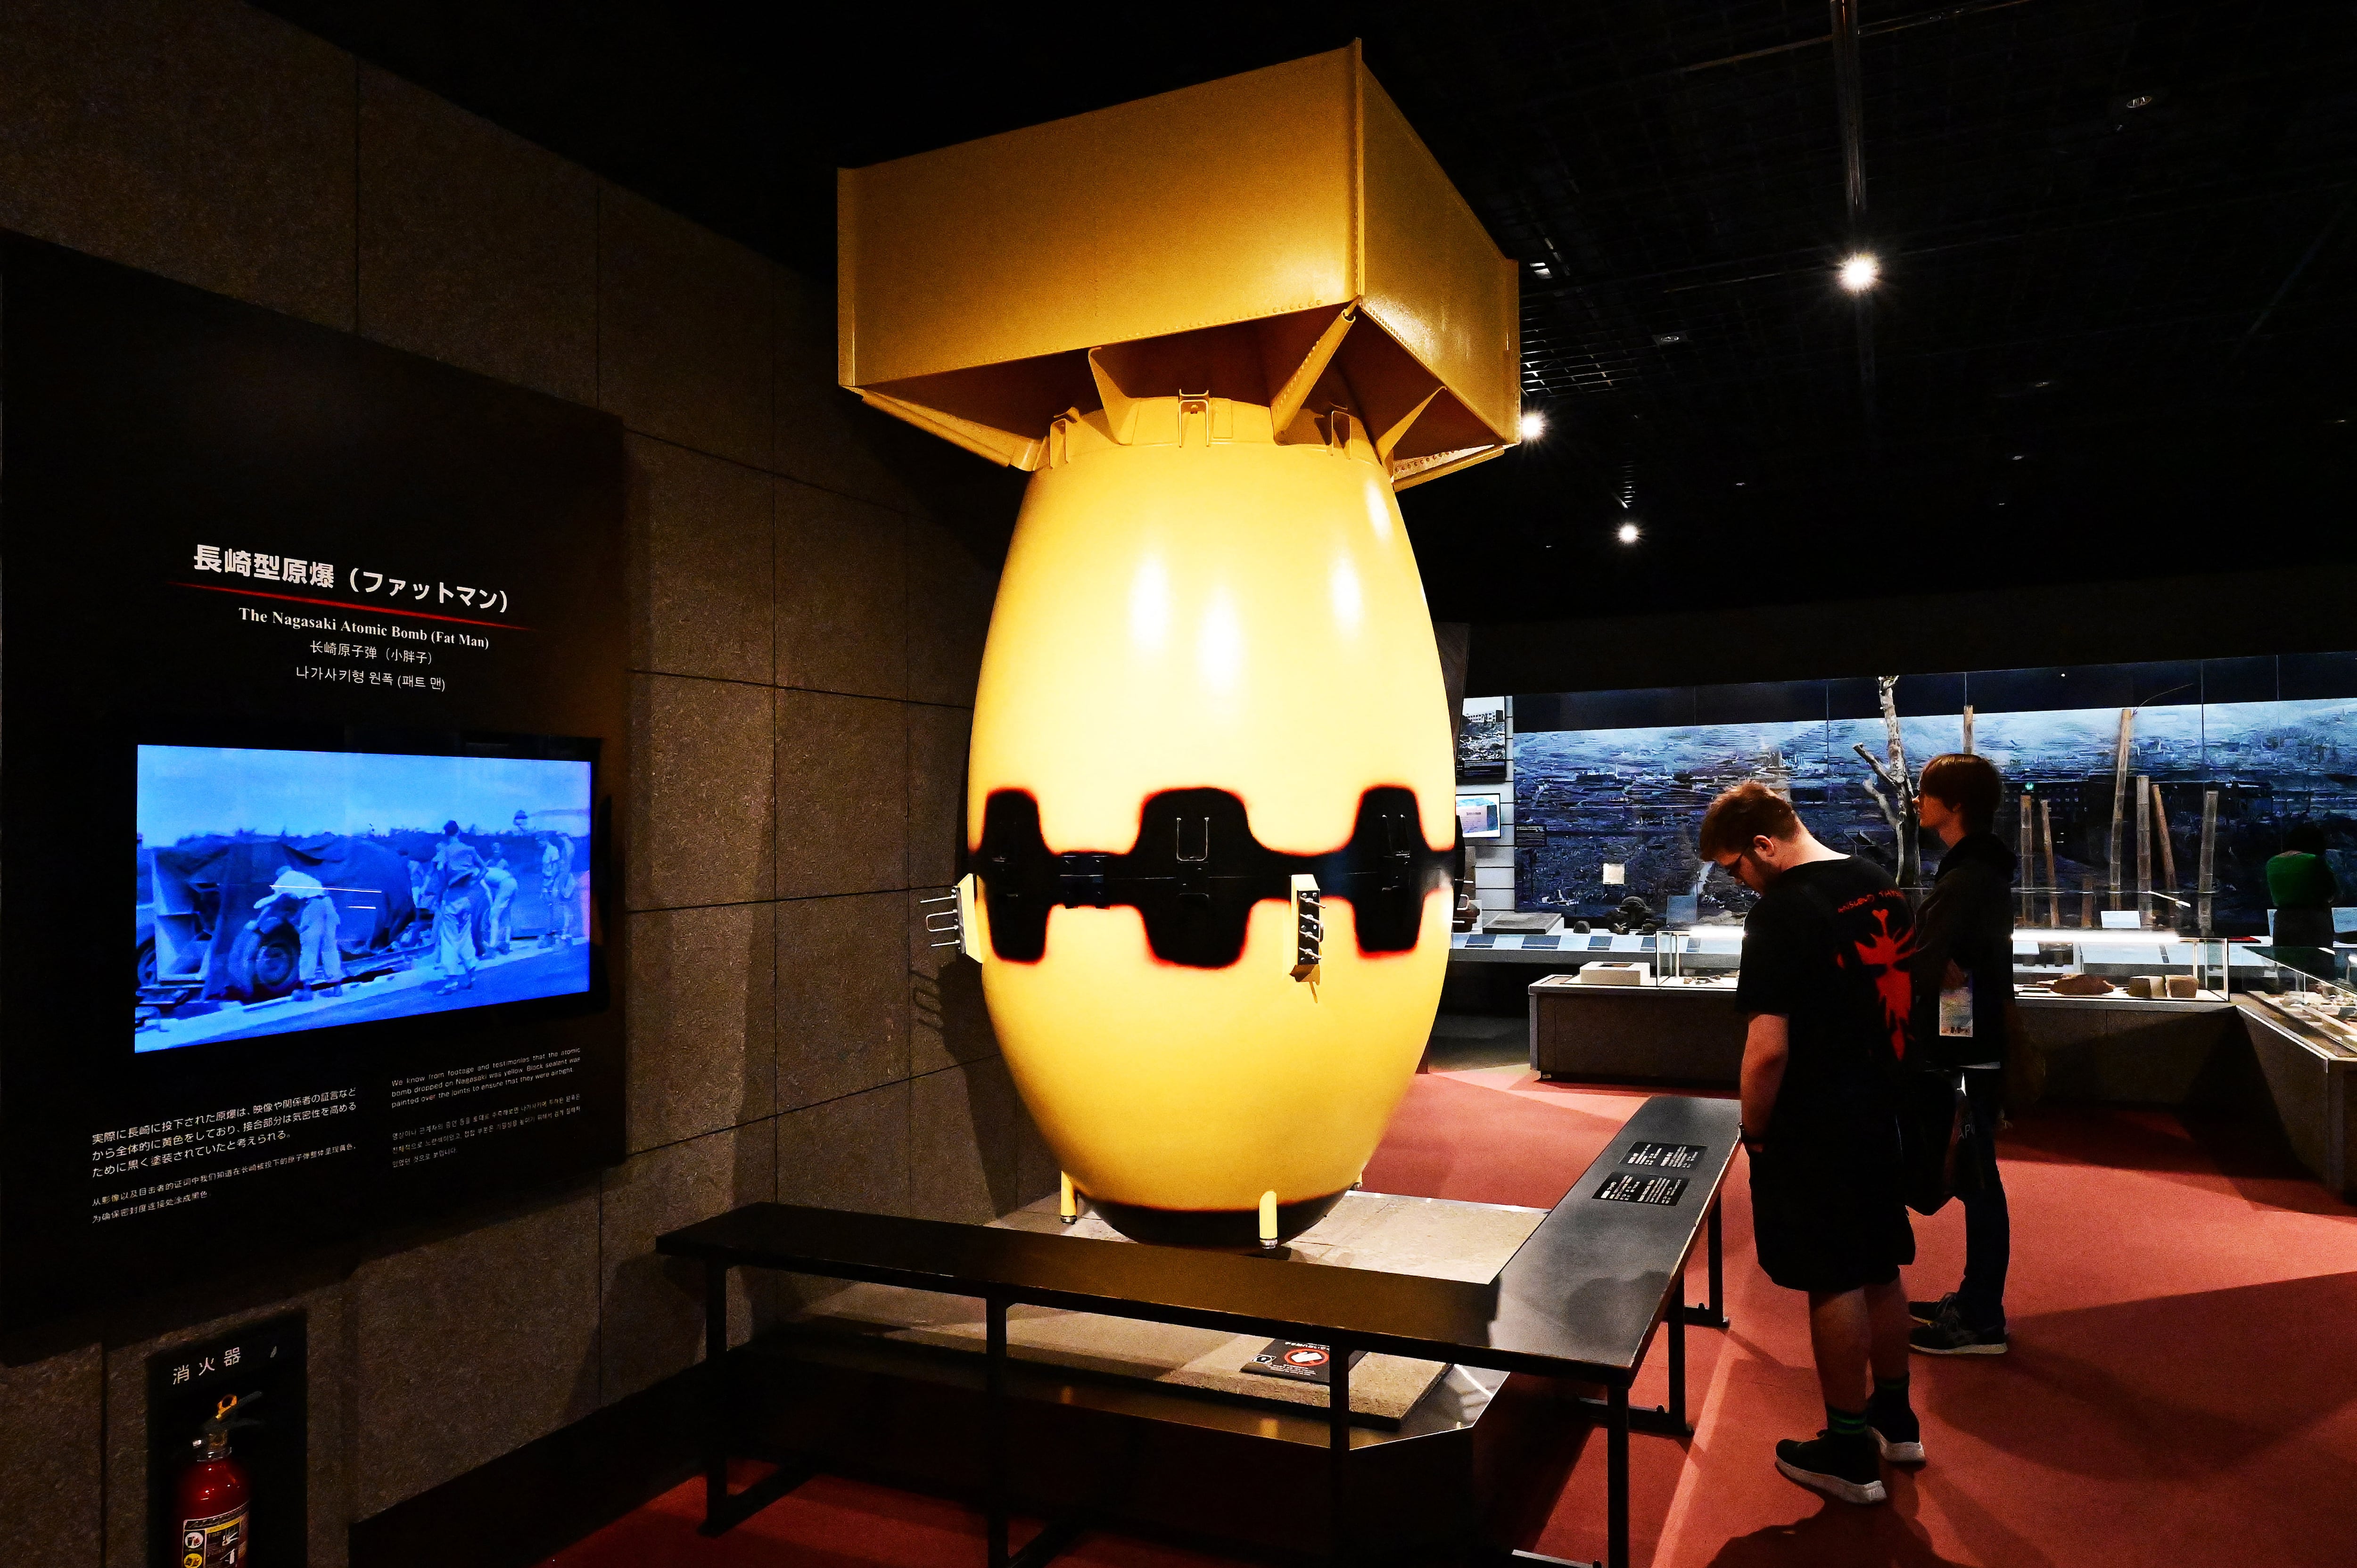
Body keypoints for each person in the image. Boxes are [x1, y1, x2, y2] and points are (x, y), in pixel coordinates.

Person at [1701, 780, 1920, 1505]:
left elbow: (1768, 1048)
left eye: (1736, 866)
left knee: (1833, 1275)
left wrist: (1755, 1134)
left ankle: (1849, 1447)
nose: (1739, 882)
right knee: (1881, 1261)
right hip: (1881, 1106)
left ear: (1764, 844)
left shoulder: (1782, 914)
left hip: (1816, 1121)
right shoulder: (1876, 882)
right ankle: (1897, 1418)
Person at [1906, 754, 2016, 1355]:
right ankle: (1976, 1301)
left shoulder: (1966, 876)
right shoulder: (1979, 870)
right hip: (1974, 1037)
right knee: (1978, 1178)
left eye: (1926, 794)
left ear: (1954, 806)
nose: (1918, 803)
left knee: (1977, 1180)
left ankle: (1981, 1318)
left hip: (1965, 1046)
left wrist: (1927, 961)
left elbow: (1927, 956)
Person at [2265, 822, 2339, 981]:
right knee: (2318, 972)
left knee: (2288, 970)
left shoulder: (2272, 863)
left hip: (2282, 922)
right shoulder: (2313, 860)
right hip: (2314, 921)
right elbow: (2333, 891)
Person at [430, 821, 485, 993]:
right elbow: (484, 869)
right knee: (465, 936)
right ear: (459, 832)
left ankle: (452, 980)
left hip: (452, 896)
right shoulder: (470, 849)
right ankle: (472, 974)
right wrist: (474, 882)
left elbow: (438, 869)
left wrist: (441, 890)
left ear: (446, 834)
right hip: (467, 897)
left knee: (449, 938)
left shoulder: (445, 851)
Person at [483, 852, 518, 956]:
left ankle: (492, 946)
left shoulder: (480, 874)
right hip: (514, 883)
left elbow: (488, 893)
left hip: (506, 885)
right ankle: (507, 943)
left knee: (493, 917)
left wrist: (491, 907)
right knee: (506, 915)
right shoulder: (492, 870)